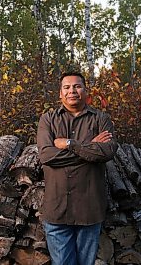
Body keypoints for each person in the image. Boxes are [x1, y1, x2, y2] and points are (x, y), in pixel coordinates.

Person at [37, 71, 118, 265]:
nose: (72, 91)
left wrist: (71, 144)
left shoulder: (101, 119)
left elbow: (107, 153)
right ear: (60, 93)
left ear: (85, 90)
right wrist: (90, 149)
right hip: (57, 210)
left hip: (90, 209)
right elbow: (46, 156)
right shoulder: (48, 119)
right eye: (67, 87)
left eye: (77, 86)